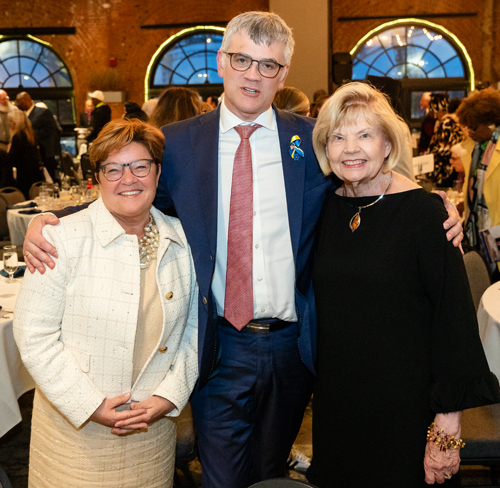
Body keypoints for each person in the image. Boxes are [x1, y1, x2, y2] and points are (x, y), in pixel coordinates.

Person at [21, 11, 463, 488]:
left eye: (268, 65)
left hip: (296, 345)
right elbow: (131, 192)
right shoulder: (181, 143)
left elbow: (366, 169)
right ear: (222, 62)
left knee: (272, 472)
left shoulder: (311, 140)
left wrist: (432, 202)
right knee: (224, 478)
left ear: (283, 74)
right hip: (218, 344)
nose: (254, 74)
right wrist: (50, 222)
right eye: (242, 60)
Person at [308, 82, 500, 487]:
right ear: (325, 149)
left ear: (388, 145)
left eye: (364, 135)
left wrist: (447, 425)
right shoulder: (325, 207)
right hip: (338, 404)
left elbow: (455, 322)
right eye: (338, 137)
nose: (350, 148)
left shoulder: (425, 216)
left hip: (406, 409)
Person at [14, 118, 198, 487]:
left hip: (151, 432)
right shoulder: (61, 240)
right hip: (75, 438)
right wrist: (91, 406)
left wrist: (168, 396)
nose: (128, 179)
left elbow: (194, 329)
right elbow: (33, 336)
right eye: (113, 168)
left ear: (157, 172)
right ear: (97, 177)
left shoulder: (182, 239)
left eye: (140, 166)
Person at [456, 87, 500, 280]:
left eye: (474, 126)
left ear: (490, 124)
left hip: (496, 227)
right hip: (475, 227)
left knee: (495, 278)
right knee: (481, 275)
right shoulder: (474, 147)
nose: (469, 131)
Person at [15, 91, 61, 181]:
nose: (18, 104)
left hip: (45, 154)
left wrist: (31, 135)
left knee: (49, 181)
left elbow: (51, 130)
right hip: (31, 158)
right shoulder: (22, 114)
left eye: (19, 101)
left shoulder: (42, 112)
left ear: (28, 100)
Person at [427, 93, 465, 187]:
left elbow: (443, 148)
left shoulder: (445, 123)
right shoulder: (456, 121)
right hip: (456, 165)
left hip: (445, 169)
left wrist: (430, 153)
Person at [7, 110, 43, 199]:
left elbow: (10, 158)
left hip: (24, 175)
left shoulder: (17, 137)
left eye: (11, 121)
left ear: (16, 122)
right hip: (35, 173)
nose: (9, 123)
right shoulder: (31, 135)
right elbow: (43, 149)